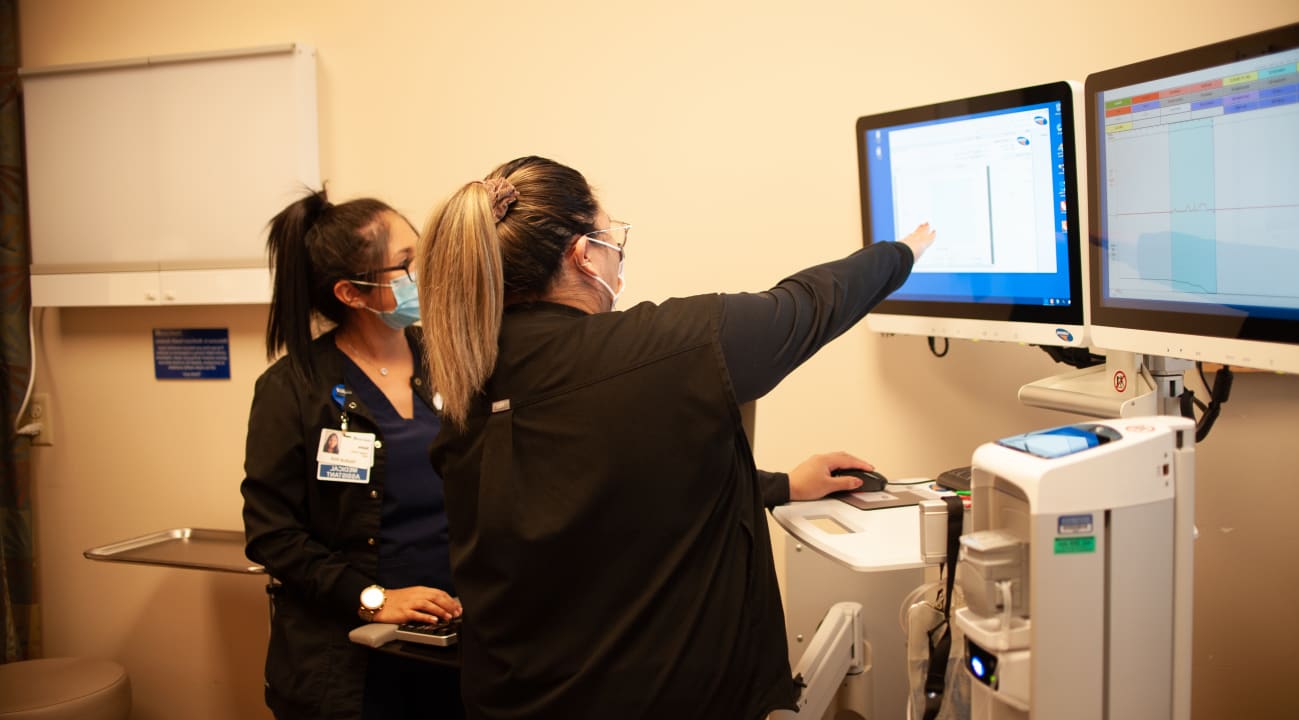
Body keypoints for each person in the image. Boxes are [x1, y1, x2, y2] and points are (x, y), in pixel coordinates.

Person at [419, 156, 935, 720]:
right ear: (584, 253)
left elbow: (585, 498)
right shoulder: (662, 351)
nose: (618, 252)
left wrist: (780, 485)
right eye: (611, 234)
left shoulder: (469, 379)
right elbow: (808, 304)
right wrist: (901, 251)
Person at [240, 188, 464, 720]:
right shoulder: (293, 389)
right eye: (407, 265)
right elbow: (273, 534)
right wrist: (373, 597)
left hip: (454, 639)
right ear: (352, 293)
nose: (425, 274)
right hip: (350, 660)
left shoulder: (450, 361)